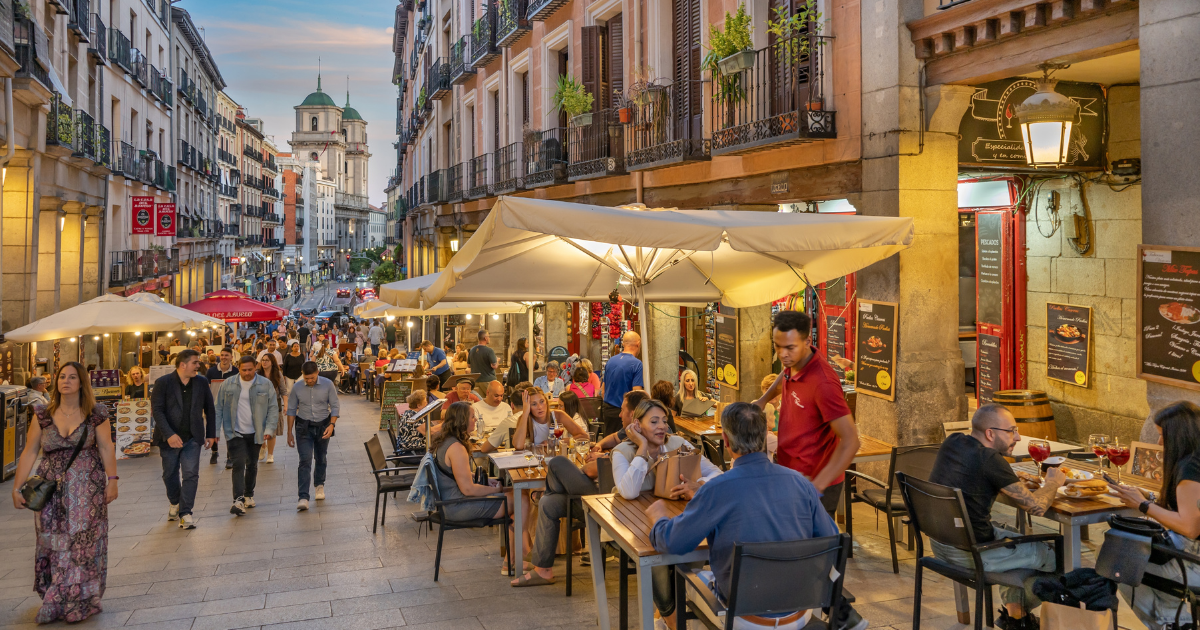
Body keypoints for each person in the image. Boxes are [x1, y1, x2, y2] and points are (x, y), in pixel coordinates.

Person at [647, 403, 845, 630]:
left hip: (744, 619)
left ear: (727, 441)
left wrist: (659, 518)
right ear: (764, 436)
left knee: (685, 583)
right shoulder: (800, 482)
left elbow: (672, 543)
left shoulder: (717, 489)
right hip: (799, 613)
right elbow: (830, 539)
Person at [930, 404, 1066, 630]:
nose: (1018, 436)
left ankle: (1015, 617)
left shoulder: (953, 442)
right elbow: (1036, 508)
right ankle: (1021, 615)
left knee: (1016, 539)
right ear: (990, 434)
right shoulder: (990, 459)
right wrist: (1053, 482)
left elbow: (974, 477)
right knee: (1062, 558)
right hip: (972, 552)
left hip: (941, 542)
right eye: (1011, 430)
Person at [9, 363, 116, 623]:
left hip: (86, 489)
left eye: (72, 377)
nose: (65, 381)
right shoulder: (43, 413)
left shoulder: (96, 413)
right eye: (61, 377)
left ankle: (76, 599)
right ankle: (53, 596)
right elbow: (30, 451)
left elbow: (106, 447)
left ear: (81, 383)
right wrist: (16, 487)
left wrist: (112, 479)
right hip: (50, 490)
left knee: (80, 544)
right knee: (52, 542)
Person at [611, 399, 723, 626]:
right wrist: (642, 448)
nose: (662, 426)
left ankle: (668, 619)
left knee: (692, 547)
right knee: (658, 558)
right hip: (637, 526)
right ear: (637, 425)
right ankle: (674, 621)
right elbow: (630, 491)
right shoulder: (621, 452)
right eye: (653, 421)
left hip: (680, 519)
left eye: (664, 420)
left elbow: (719, 475)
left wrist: (698, 484)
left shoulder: (679, 444)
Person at [754, 310, 860, 516]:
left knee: (809, 547)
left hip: (814, 482)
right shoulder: (793, 361)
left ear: (806, 341)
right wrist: (762, 401)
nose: (783, 354)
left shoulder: (823, 383)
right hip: (789, 472)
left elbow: (851, 440)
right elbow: (783, 377)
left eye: (789, 348)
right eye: (778, 346)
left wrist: (817, 486)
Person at [1110, 402, 1200, 630]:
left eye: (1162, 435)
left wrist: (1143, 505)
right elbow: (1186, 507)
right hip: (1189, 554)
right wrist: (1147, 496)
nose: (1159, 442)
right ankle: (1171, 618)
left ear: (1178, 435)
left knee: (1119, 562)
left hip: (1193, 561)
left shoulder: (1190, 469)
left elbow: (1190, 527)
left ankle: (1169, 623)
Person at [429, 402, 515, 566]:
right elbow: (468, 489)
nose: (476, 420)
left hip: (449, 504)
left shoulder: (446, 441)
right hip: (457, 507)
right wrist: (496, 489)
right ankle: (513, 558)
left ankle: (514, 554)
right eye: (472, 416)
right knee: (519, 499)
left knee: (517, 494)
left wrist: (478, 477)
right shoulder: (456, 448)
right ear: (462, 420)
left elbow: (454, 473)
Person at [151, 349, 218, 530]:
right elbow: (157, 411)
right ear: (183, 365)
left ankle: (186, 512)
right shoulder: (163, 383)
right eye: (195, 362)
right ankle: (175, 502)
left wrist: (211, 434)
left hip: (192, 438)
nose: (199, 365)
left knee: (191, 474)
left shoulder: (202, 383)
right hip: (169, 438)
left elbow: (210, 409)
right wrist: (169, 435)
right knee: (169, 474)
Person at [215, 356, 279, 516]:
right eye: (244, 370)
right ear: (239, 368)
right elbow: (218, 408)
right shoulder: (228, 384)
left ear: (255, 367)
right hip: (234, 431)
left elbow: (272, 408)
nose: (247, 373)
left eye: (250, 369)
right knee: (238, 464)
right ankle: (238, 499)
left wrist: (270, 429)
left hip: (256, 432)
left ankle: (249, 493)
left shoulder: (265, 384)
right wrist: (214, 432)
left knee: (252, 464)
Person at [286, 361, 341, 510]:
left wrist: (332, 424)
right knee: (305, 460)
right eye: (306, 378)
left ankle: (319, 485)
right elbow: (291, 410)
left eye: (312, 378)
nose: (309, 381)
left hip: (324, 425)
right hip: (303, 426)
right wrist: (289, 432)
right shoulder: (297, 387)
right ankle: (303, 497)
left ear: (317, 373)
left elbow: (335, 405)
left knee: (321, 457)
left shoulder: (328, 384)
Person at [512, 386, 587, 450]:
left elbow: (584, 436)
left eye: (542, 401)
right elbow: (518, 446)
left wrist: (555, 442)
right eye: (534, 404)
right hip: (534, 462)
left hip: (555, 459)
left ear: (546, 401)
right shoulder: (524, 419)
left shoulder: (558, 415)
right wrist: (525, 413)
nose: (540, 407)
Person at [602, 332, 644, 435]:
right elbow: (636, 393)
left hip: (607, 411)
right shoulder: (637, 364)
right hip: (624, 415)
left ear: (624, 344)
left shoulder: (610, 361)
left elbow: (603, 390)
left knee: (608, 444)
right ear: (638, 344)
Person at [257, 353, 286, 464]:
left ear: (272, 362)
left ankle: (270, 454)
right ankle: (262, 446)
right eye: (263, 360)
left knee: (271, 432)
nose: (264, 362)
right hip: (259, 405)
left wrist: (286, 405)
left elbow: (283, 391)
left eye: (267, 360)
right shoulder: (257, 374)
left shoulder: (277, 374)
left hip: (274, 405)